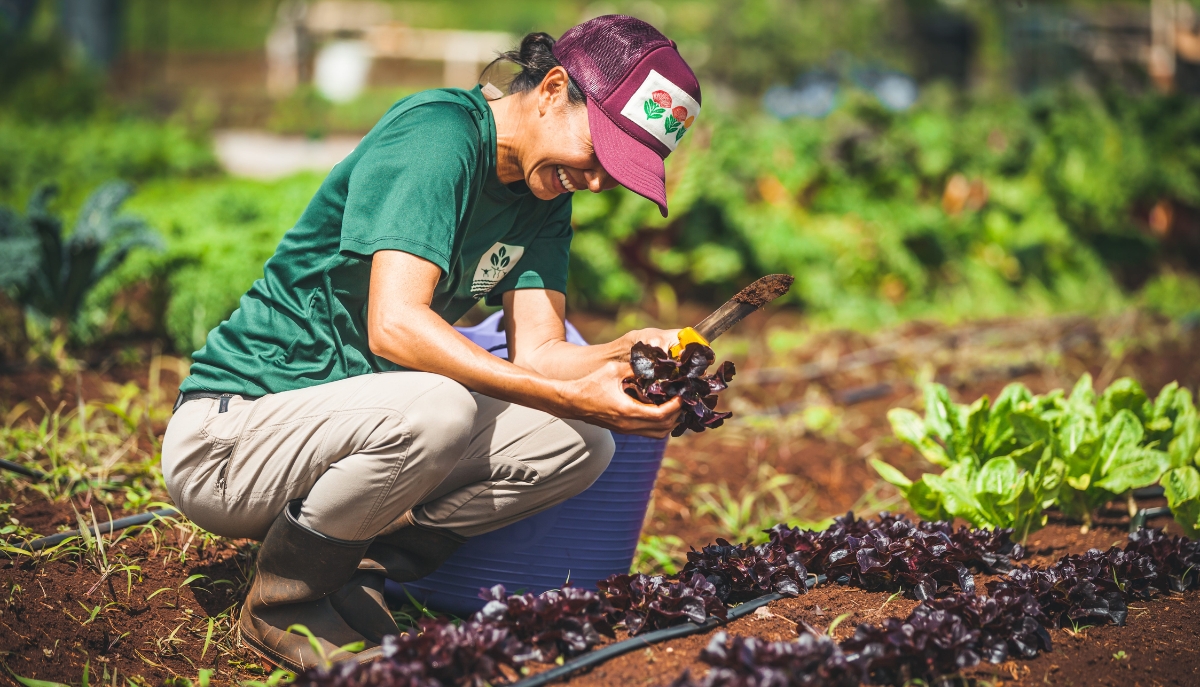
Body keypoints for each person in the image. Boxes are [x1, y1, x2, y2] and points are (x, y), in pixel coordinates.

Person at [161, 15, 703, 671]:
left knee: (580, 442)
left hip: (349, 436)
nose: (596, 182)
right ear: (554, 89)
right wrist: (566, 391)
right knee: (439, 405)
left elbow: (539, 355)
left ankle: (360, 566)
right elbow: (395, 325)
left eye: (621, 171)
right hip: (233, 438)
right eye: (603, 154)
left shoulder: (542, 194)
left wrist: (629, 353)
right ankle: (282, 603)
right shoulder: (437, 136)